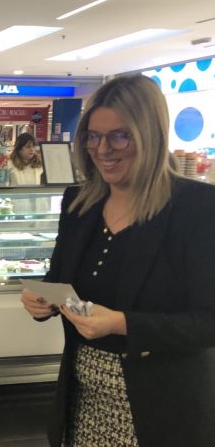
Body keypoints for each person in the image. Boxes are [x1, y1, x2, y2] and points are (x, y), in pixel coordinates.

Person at [20, 75, 215, 446]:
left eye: (119, 136)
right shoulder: (79, 203)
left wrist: (123, 324)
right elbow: (59, 279)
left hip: (161, 407)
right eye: (93, 136)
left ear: (151, 135)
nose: (102, 149)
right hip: (82, 400)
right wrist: (41, 300)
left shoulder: (197, 208)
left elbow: (209, 321)